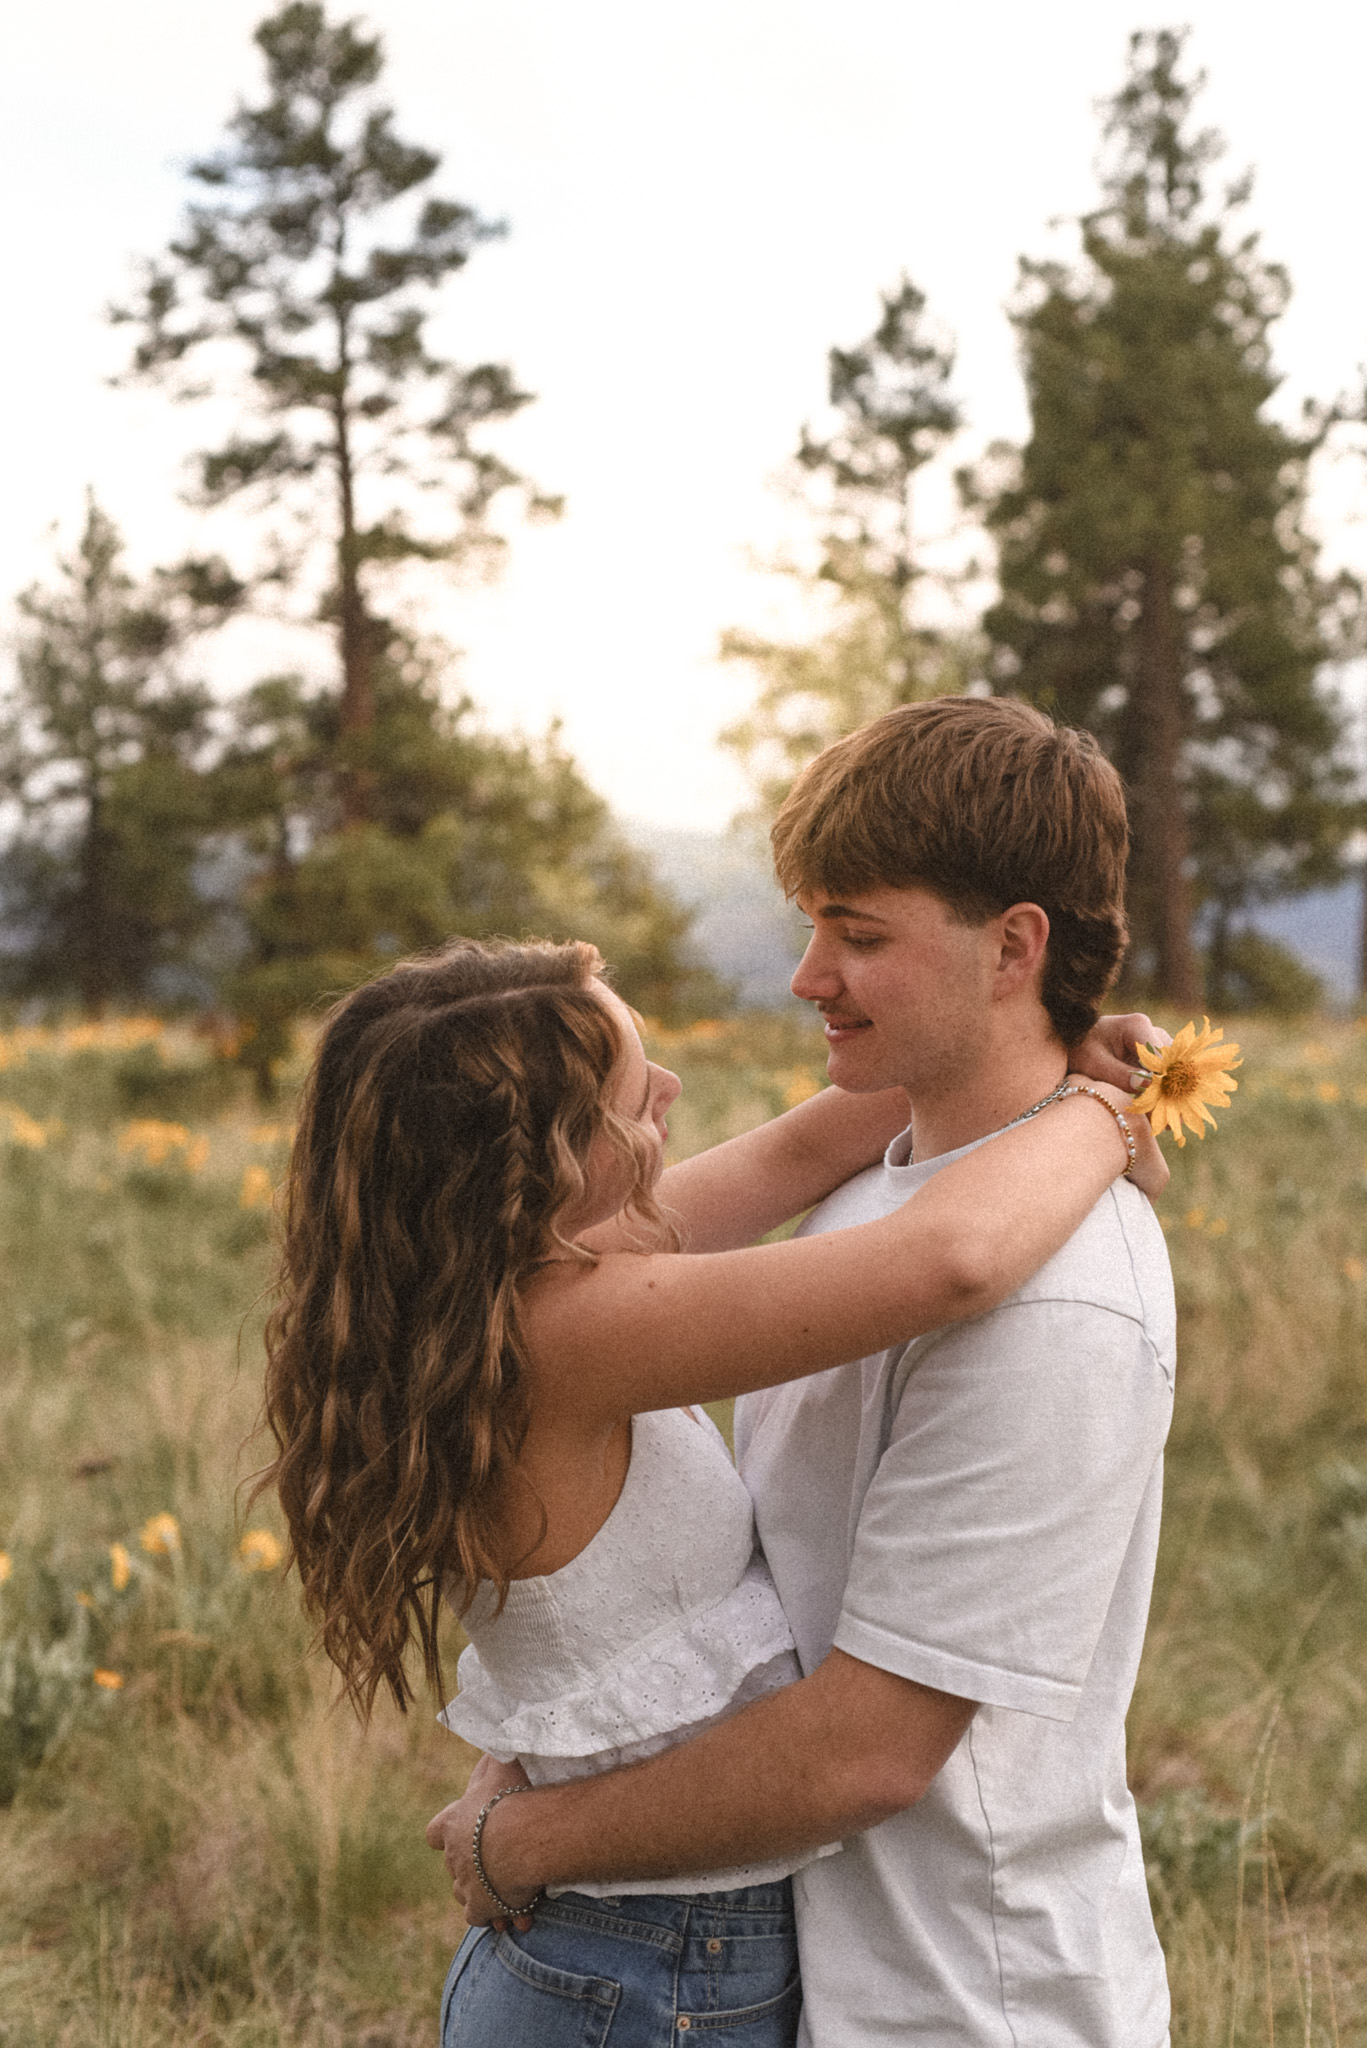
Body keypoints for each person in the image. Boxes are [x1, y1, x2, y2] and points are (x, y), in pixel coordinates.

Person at [428, 697, 1176, 2048]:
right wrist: (1090, 1092)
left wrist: (525, 1832)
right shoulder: (876, 1205)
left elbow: (872, 1749)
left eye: (859, 934)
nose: (806, 975)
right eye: (813, 925)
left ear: (1017, 948)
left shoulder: (1061, 1298)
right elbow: (873, 1197)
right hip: (779, 1967)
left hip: (957, 2001)